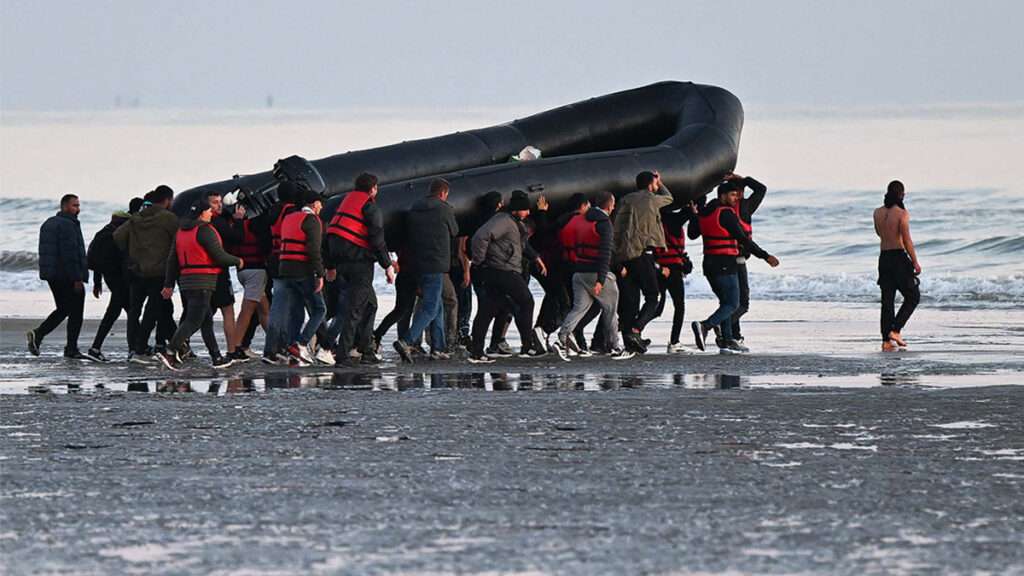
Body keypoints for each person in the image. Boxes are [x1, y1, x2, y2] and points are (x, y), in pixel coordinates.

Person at [690, 180, 779, 353]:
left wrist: (694, 215)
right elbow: (743, 239)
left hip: (709, 264)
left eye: (737, 194)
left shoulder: (704, 212)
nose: (735, 198)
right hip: (724, 263)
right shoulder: (726, 214)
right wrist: (765, 256)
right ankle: (705, 326)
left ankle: (727, 340)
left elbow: (692, 234)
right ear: (722, 195)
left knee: (725, 302)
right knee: (733, 304)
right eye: (732, 195)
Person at [156, 199, 243, 370]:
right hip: (202, 281)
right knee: (194, 320)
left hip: (187, 282)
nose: (211, 213)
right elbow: (219, 256)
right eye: (209, 211)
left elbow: (172, 260)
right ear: (202, 213)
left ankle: (216, 358)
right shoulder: (205, 231)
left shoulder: (181, 231)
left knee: (206, 320)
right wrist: (238, 261)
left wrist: (169, 284)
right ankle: (170, 351)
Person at [550, 191, 634, 361]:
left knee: (578, 309)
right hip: (597, 273)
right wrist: (601, 280)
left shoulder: (581, 220)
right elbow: (605, 254)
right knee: (610, 310)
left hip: (579, 272)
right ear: (610, 206)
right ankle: (614, 347)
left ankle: (561, 339)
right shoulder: (604, 223)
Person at [324, 173, 396, 367]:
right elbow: (377, 240)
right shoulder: (370, 207)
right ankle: (343, 354)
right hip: (359, 265)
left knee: (370, 304)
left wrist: (330, 266)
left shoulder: (344, 205)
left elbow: (330, 236)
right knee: (354, 310)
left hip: (341, 264)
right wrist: (388, 265)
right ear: (373, 189)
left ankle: (367, 349)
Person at [468, 190, 547, 363]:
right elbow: (480, 237)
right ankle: (528, 347)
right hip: (502, 270)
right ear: (517, 209)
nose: (528, 212)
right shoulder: (503, 220)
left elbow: (521, 245)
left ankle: (477, 352)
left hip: (498, 270)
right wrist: (479, 261)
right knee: (526, 301)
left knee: (488, 309)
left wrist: (536, 258)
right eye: (525, 209)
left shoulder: (513, 222)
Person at [393, 178, 459, 363]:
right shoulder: (444, 208)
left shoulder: (415, 208)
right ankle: (406, 340)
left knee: (436, 305)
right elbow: (455, 231)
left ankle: (438, 348)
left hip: (416, 264)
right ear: (443, 193)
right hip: (435, 264)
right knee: (430, 308)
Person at [114, 185, 179, 363]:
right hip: (159, 271)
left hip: (137, 270)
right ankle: (141, 348)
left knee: (135, 311)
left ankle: (133, 347)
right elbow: (179, 241)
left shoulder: (136, 218)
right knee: (152, 311)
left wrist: (133, 252)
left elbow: (118, 236)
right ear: (167, 200)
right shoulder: (169, 218)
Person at [613, 170, 674, 353]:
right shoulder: (652, 199)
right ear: (650, 184)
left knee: (630, 300)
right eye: (654, 183)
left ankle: (630, 340)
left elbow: (617, 227)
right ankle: (636, 330)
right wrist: (660, 182)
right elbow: (669, 197)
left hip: (624, 256)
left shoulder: (625, 199)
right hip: (643, 255)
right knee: (652, 297)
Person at [27, 194, 91, 360]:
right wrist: (77, 278)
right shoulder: (68, 225)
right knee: (75, 311)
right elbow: (70, 254)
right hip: (67, 275)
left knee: (64, 308)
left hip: (53, 274)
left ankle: (40, 335)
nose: (78, 209)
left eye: (78, 205)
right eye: (74, 205)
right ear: (65, 207)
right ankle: (69, 347)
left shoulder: (49, 223)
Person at [273, 188, 328, 364]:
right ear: (314, 204)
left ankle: (291, 348)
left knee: (296, 312)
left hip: (285, 270)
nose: (321, 207)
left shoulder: (289, 218)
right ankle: (302, 343)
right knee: (320, 309)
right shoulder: (312, 220)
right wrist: (320, 274)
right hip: (302, 271)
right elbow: (313, 251)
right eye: (320, 203)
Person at [874, 180, 921, 352]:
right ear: (902, 195)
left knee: (887, 300)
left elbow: (879, 233)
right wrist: (915, 261)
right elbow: (907, 240)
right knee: (913, 296)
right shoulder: (902, 214)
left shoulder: (877, 213)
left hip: (884, 258)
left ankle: (886, 339)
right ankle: (895, 330)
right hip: (899, 258)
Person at [85, 208, 133, 361]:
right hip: (118, 279)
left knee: (123, 311)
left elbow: (97, 261)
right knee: (121, 312)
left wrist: (97, 282)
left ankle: (135, 347)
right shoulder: (115, 235)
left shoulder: (102, 233)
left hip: (110, 278)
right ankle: (134, 348)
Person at [725, 173, 767, 344]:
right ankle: (723, 326)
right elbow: (761, 189)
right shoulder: (746, 206)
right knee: (743, 304)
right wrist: (745, 179)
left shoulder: (719, 208)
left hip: (722, 260)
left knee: (730, 301)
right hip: (738, 260)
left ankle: (735, 335)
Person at [654, 202, 697, 353]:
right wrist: (692, 209)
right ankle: (674, 342)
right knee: (679, 306)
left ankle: (633, 331)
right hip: (673, 270)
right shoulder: (676, 220)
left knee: (656, 307)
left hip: (658, 269)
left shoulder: (654, 220)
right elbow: (691, 209)